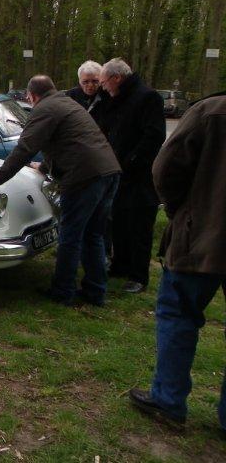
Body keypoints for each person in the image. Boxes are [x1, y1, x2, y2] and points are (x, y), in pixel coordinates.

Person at [0, 75, 120, 305]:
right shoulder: (67, 103)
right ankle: (95, 291)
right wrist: (43, 167)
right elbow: (68, 141)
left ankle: (63, 291)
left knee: (70, 236)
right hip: (109, 171)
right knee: (93, 235)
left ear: (31, 96)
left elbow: (25, 148)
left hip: (84, 177)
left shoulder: (44, 109)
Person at [129, 92, 226, 431]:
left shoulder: (212, 111)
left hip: (201, 235)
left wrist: (179, 211)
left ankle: (168, 400)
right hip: (203, 231)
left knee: (178, 314)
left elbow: (165, 168)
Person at [99, 58, 165, 293]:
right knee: (119, 222)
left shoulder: (148, 97)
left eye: (104, 82)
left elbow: (154, 136)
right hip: (119, 172)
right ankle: (120, 264)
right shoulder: (116, 99)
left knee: (139, 226)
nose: (103, 87)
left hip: (140, 176)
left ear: (117, 78)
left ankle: (138, 275)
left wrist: (130, 162)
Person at [65, 60, 109, 124]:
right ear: (79, 81)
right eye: (85, 82)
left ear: (101, 80)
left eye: (95, 81)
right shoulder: (70, 96)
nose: (90, 85)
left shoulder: (108, 95)